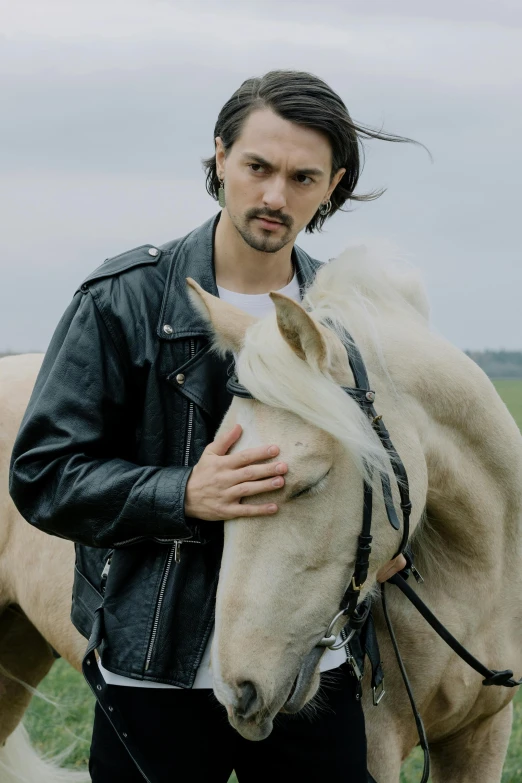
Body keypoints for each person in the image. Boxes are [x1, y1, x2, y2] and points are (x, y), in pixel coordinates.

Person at [9, 70, 411, 783]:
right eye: (257, 166)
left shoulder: (352, 323)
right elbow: (44, 475)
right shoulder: (122, 300)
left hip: (311, 676)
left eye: (302, 176)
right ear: (220, 156)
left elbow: (389, 470)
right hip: (155, 675)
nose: (274, 196)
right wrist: (181, 493)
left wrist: (383, 544)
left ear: (333, 185)